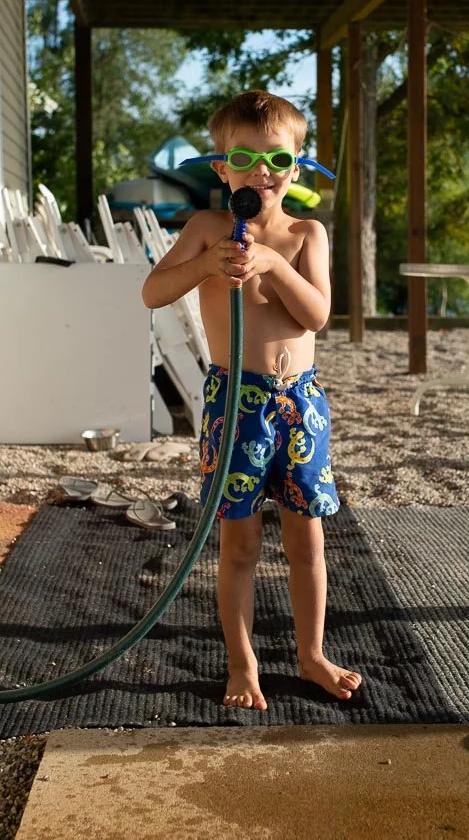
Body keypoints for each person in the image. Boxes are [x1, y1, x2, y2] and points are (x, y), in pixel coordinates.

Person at [140, 91, 362, 710]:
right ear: (222, 169)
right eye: (244, 157)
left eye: (276, 159)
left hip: (301, 404)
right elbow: (152, 293)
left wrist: (274, 264)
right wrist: (206, 265)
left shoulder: (305, 234)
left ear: (297, 167)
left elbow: (315, 314)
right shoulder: (209, 229)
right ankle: (243, 663)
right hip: (236, 400)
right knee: (239, 545)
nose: (260, 171)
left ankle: (311, 653)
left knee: (306, 541)